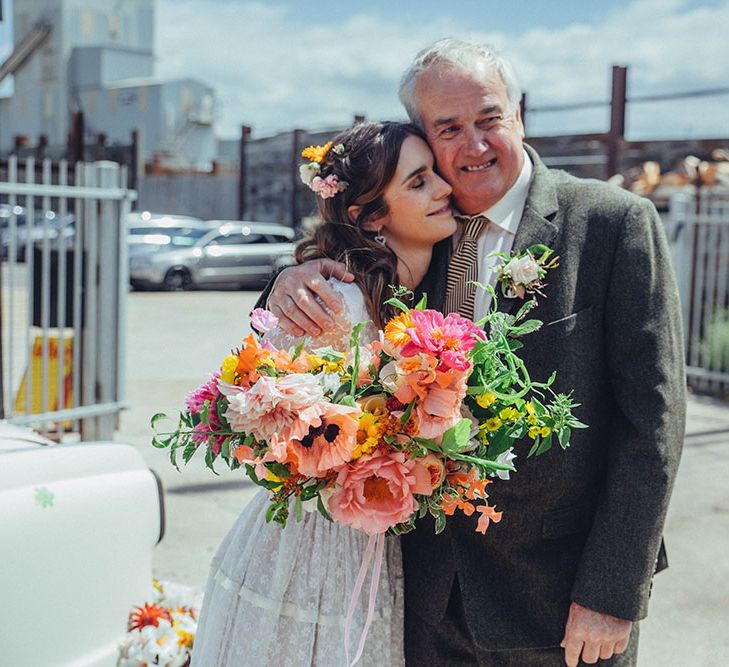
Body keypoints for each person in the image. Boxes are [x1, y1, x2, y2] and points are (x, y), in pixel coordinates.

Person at [262, 39, 686, 666]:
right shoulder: (419, 222)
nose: (475, 145)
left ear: (519, 115)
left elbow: (653, 421)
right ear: (425, 139)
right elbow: (342, 269)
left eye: (490, 119)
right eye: (449, 128)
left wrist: (612, 592)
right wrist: (285, 280)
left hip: (560, 607)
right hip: (424, 602)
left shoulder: (612, 224)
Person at [190, 120, 457, 666]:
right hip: (310, 541)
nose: (443, 188)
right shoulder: (334, 300)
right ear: (369, 216)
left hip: (371, 531)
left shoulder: (422, 282)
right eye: (419, 181)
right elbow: (262, 413)